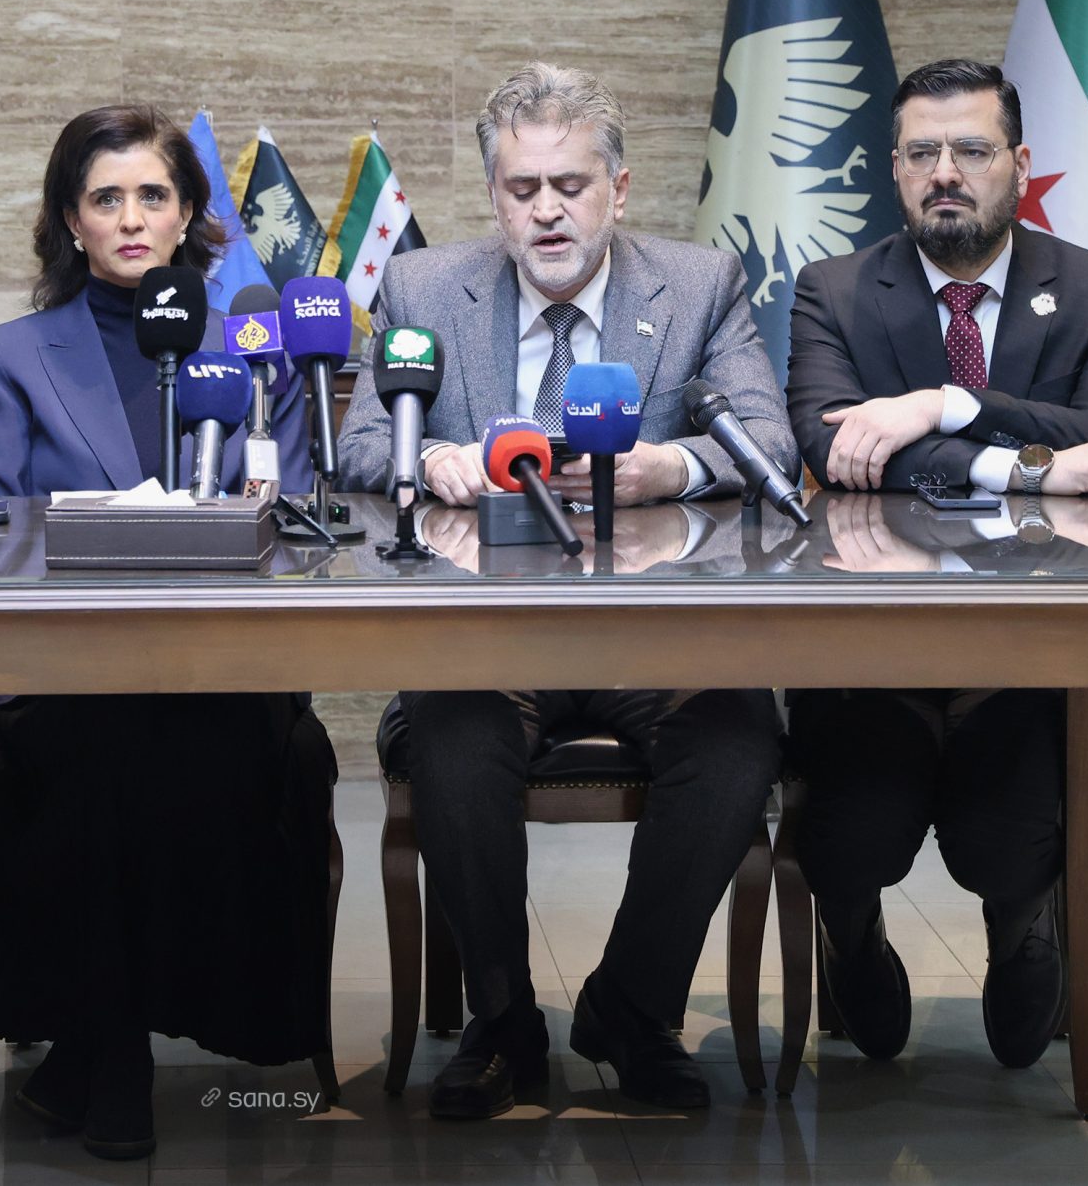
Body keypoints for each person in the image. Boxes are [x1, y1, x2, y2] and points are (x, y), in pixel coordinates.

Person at [0, 105, 335, 1163]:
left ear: (190, 215)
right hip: (62, 675)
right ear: (71, 221)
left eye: (153, 196)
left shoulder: (255, 349)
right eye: (105, 198)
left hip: (219, 672)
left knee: (165, 744)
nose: (131, 218)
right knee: (108, 744)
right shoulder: (13, 355)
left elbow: (299, 534)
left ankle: (96, 1051)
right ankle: (111, 1049)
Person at [332, 63, 794, 1116]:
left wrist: (669, 466)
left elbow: (770, 442)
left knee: (737, 739)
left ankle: (630, 1009)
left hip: (653, 637)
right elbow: (354, 447)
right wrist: (427, 458)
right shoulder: (420, 289)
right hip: (488, 638)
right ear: (495, 199)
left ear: (617, 191)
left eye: (570, 186)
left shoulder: (699, 284)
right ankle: (501, 1024)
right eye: (522, 188)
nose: (547, 210)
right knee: (452, 742)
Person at [782, 55, 1088, 1072]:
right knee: (856, 827)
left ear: (1019, 164)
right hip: (873, 651)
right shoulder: (834, 292)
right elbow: (835, 449)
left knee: (1005, 834)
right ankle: (849, 931)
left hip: (1037, 655)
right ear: (895, 170)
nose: (944, 171)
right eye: (921, 153)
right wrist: (1025, 464)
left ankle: (1023, 923)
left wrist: (945, 405)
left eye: (970, 150)